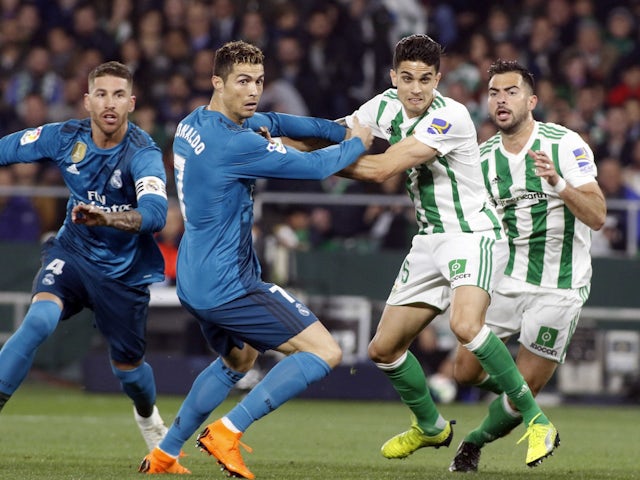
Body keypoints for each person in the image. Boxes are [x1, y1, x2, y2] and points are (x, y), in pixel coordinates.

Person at [138, 40, 372, 478]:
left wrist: (338, 128)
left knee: (238, 360)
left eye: (259, 81)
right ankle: (228, 432)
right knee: (325, 351)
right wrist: (357, 140)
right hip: (230, 284)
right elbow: (318, 169)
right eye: (243, 81)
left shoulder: (194, 123)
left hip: (194, 276)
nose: (253, 91)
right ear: (217, 82)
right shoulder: (236, 145)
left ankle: (165, 455)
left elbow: (280, 120)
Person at [338, 34, 559, 468]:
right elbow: (337, 134)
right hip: (428, 239)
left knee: (464, 324)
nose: (416, 89)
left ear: (438, 79)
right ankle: (431, 426)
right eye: (407, 79)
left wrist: (302, 163)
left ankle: (536, 421)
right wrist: (279, 143)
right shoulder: (382, 105)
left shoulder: (451, 116)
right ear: (393, 78)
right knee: (383, 349)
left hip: (472, 233)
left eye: (425, 79)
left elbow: (382, 167)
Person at [0, 61, 171, 452]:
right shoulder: (64, 137)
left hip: (123, 275)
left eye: (118, 95)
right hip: (73, 254)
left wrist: (107, 217)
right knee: (39, 321)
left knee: (128, 372)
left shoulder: (142, 154)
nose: (109, 103)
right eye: (101, 94)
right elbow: (7, 149)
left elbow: (156, 215)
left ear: (131, 102)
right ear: (87, 101)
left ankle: (148, 418)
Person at [448, 59, 606, 472]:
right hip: (505, 279)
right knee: (463, 372)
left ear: (532, 100)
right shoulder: (480, 160)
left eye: (511, 91)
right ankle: (526, 408)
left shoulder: (564, 145)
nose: (501, 100)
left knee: (527, 383)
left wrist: (557, 184)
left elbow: (598, 215)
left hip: (560, 284)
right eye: (495, 93)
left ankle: (473, 442)